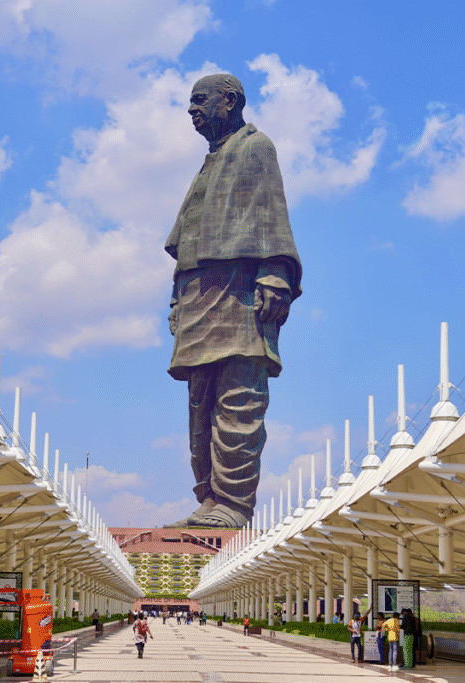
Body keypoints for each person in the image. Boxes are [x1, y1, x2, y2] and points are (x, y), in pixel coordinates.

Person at [164, 73, 302, 529]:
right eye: (190, 102)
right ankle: (209, 497)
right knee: (200, 403)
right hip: (198, 294)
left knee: (238, 399)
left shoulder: (255, 147)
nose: (192, 109)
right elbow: (186, 238)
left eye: (200, 100)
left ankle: (235, 503)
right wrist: (175, 301)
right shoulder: (210, 160)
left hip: (238, 291)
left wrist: (275, 272)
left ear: (231, 101)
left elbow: (271, 212)